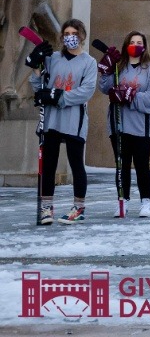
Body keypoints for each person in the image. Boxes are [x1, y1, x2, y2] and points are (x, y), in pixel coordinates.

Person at [28, 18, 97, 225]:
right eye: (66, 34)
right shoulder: (53, 59)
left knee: (76, 163)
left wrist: (59, 97)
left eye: (74, 34)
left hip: (74, 119)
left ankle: (79, 207)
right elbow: (39, 86)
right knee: (49, 164)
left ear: (82, 36)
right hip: (51, 119)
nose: (70, 38)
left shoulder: (89, 62)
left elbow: (86, 91)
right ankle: (46, 207)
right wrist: (35, 67)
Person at [96, 31, 150, 218]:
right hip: (119, 124)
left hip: (141, 126)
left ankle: (146, 202)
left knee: (142, 164)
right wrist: (106, 70)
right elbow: (104, 87)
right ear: (126, 45)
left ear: (144, 46)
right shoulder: (119, 67)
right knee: (121, 165)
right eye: (132, 42)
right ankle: (122, 201)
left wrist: (130, 95)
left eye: (139, 42)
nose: (135, 45)